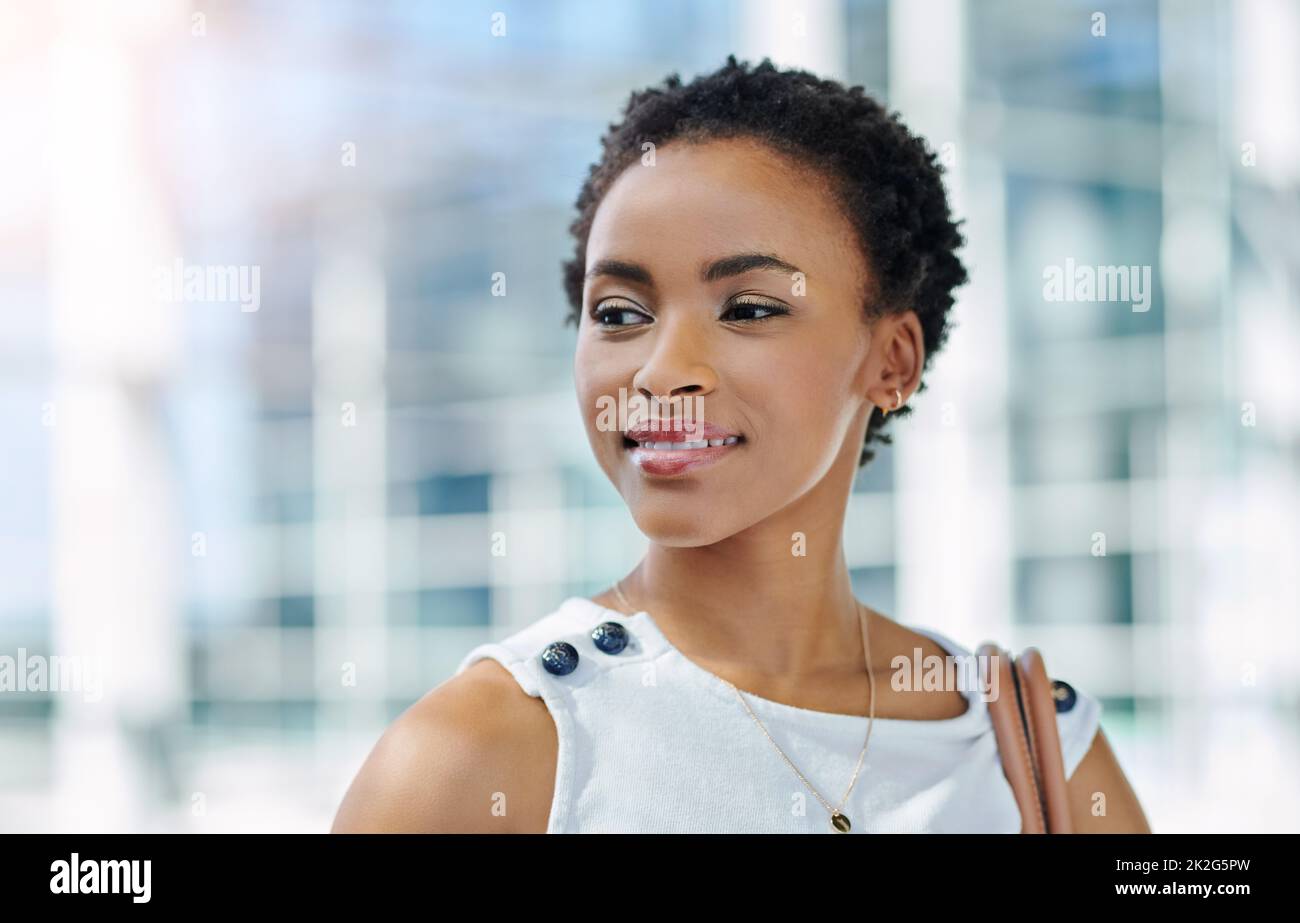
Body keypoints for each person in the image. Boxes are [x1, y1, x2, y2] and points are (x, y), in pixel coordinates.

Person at [332, 55, 1150, 834]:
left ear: (891, 360)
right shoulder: (476, 758)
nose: (662, 372)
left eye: (749, 309)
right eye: (620, 312)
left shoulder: (1036, 750)